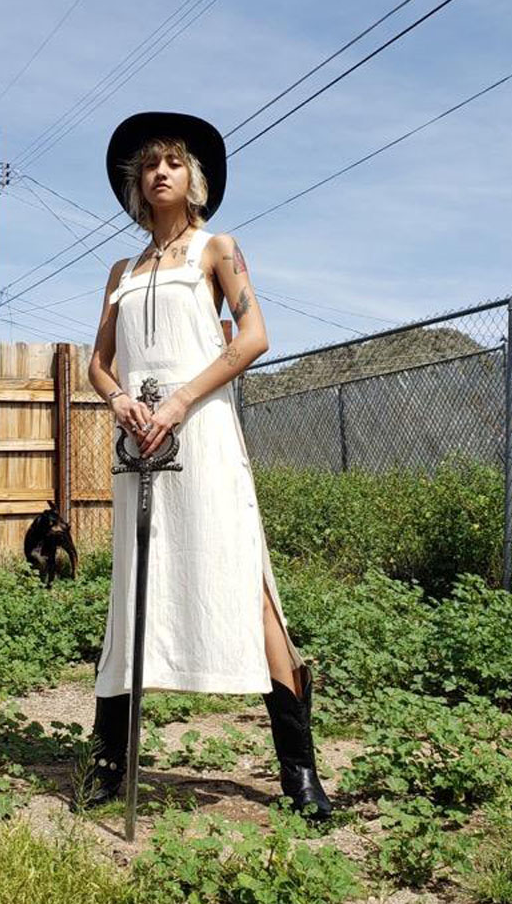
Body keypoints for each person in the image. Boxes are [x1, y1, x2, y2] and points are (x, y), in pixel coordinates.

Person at [76, 111, 332, 821]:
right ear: (136, 184)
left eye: (173, 162)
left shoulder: (218, 249)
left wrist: (184, 396)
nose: (160, 172)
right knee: (133, 584)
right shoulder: (120, 272)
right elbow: (98, 364)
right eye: (149, 165)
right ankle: (109, 762)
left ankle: (299, 772)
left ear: (195, 179)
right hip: (139, 446)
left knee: (244, 578)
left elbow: (254, 335)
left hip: (204, 431)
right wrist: (122, 399)